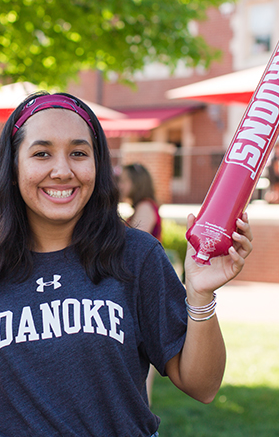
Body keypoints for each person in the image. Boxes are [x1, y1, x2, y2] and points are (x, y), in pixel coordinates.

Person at [0, 92, 253, 436]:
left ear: (97, 167)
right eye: (42, 153)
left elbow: (202, 386)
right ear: (13, 169)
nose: (62, 170)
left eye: (79, 153)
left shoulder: (136, 254)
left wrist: (200, 294)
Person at [117, 162, 162, 406]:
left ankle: (141, 405)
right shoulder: (140, 208)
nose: (121, 185)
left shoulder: (145, 207)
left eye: (124, 180)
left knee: (144, 350)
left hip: (143, 286)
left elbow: (134, 244)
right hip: (137, 285)